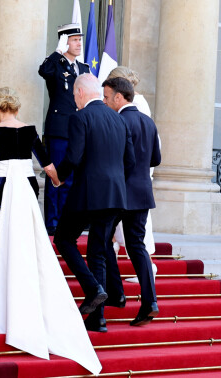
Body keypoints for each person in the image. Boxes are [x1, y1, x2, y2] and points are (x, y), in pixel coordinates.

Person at [0, 87, 101, 375]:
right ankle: (22, 289)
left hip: (1, 187)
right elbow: (46, 164)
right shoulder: (30, 129)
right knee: (27, 240)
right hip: (26, 185)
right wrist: (58, 181)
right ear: (17, 108)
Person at [53, 73, 136, 333]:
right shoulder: (118, 118)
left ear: (79, 93)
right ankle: (98, 319)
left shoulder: (80, 117)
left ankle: (93, 289)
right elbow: (131, 162)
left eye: (74, 96)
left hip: (88, 194)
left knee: (64, 239)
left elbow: (74, 157)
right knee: (98, 252)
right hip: (115, 196)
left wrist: (57, 176)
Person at [102, 77, 161, 326]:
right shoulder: (148, 122)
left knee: (102, 239)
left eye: (106, 97)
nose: (104, 102)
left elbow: (113, 159)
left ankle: (116, 293)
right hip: (142, 192)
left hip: (120, 192)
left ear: (119, 97)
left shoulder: (118, 120)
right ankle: (150, 301)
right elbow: (156, 159)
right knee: (137, 246)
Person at [106, 66, 158, 282]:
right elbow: (156, 155)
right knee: (126, 236)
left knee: (132, 236)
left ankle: (115, 283)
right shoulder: (141, 115)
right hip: (140, 182)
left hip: (126, 183)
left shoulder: (127, 113)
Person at [38, 23, 90, 235]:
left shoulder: (84, 68)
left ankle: (69, 220)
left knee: (74, 178)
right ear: (64, 41)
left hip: (80, 129)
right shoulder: (55, 65)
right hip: (59, 128)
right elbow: (44, 71)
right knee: (56, 177)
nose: (79, 43)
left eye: (80, 39)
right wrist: (57, 52)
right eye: (74, 39)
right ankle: (52, 222)